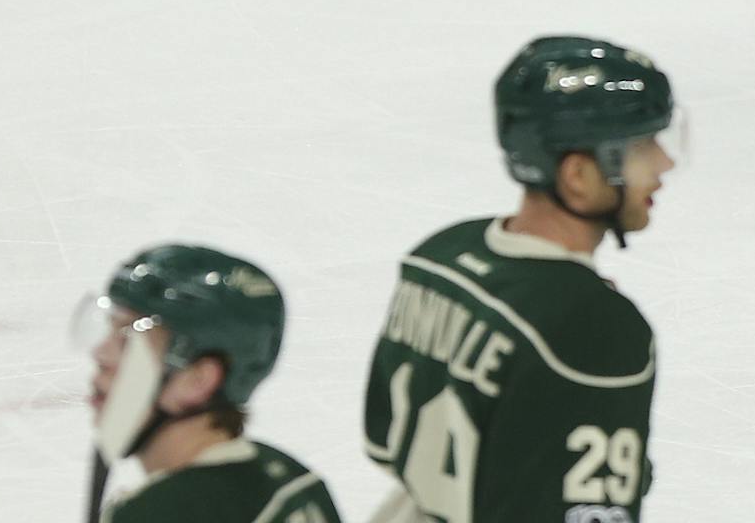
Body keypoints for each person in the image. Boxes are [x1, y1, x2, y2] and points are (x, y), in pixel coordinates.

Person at [363, 35, 679, 522]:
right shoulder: (593, 328)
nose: (663, 165)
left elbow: (385, 441)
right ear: (577, 174)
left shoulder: (441, 254)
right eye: (642, 147)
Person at [80, 243, 341, 523]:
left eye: (129, 341)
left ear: (199, 380)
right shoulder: (291, 477)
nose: (101, 355)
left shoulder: (156, 513)